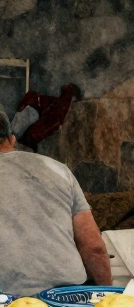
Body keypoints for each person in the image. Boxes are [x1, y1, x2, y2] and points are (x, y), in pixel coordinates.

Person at [0, 107, 111, 295]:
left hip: (10, 303)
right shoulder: (57, 169)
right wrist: (108, 298)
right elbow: (94, 247)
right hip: (68, 296)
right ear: (12, 139)